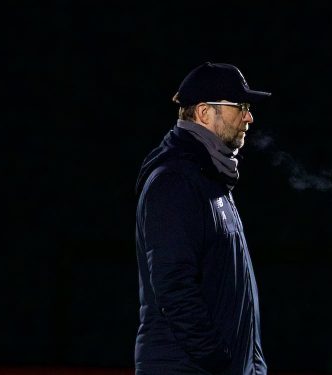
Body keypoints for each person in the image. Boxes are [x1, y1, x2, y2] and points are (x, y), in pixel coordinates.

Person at [134, 62, 271, 375]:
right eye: (241, 106)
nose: (249, 117)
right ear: (205, 113)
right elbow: (173, 287)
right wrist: (218, 358)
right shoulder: (174, 181)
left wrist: (250, 365)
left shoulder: (210, 178)